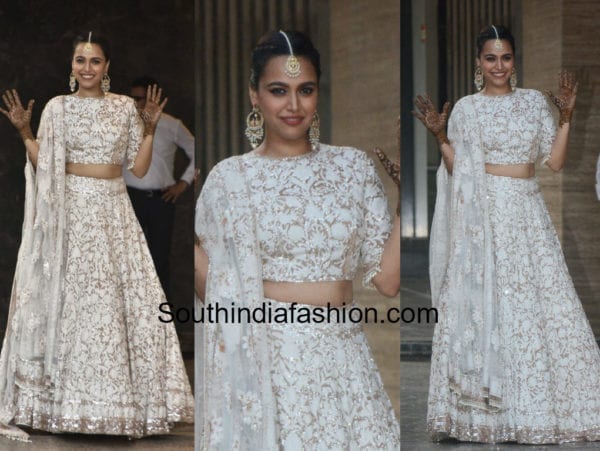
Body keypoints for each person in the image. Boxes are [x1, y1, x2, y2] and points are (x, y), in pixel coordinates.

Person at [194, 30, 401, 449]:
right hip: (268, 355)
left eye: (305, 90)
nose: (293, 105)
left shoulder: (353, 167)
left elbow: (387, 281)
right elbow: (213, 283)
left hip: (344, 358)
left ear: (317, 93)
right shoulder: (230, 177)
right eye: (277, 91)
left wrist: (404, 203)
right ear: (255, 96)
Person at [0, 32, 193, 441]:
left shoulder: (124, 107)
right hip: (72, 213)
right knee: (75, 303)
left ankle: (125, 407)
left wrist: (148, 129)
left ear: (107, 68)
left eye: (95, 61)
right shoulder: (58, 108)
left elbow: (137, 171)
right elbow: (47, 165)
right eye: (80, 60)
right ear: (72, 66)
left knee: (121, 302)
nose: (87, 67)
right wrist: (24, 132)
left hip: (113, 211)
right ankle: (63, 406)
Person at [413, 25, 600, 444]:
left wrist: (567, 116)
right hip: (483, 216)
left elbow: (554, 162)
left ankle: (537, 408)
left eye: (507, 57)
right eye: (491, 58)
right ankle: (483, 414)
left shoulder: (534, 102)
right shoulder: (466, 108)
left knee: (537, 306)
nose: (499, 66)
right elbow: (459, 170)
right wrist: (442, 137)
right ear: (478, 63)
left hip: (527, 212)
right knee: (488, 306)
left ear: (515, 60)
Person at [123, 76, 195, 296]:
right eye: (133, 98)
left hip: (160, 200)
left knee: (159, 259)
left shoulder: (171, 125)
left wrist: (183, 183)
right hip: (128, 198)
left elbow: (197, 151)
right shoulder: (123, 123)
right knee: (127, 259)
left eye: (141, 99)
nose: (136, 104)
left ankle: (162, 321)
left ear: (156, 99)